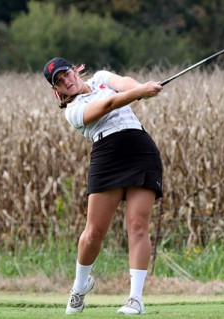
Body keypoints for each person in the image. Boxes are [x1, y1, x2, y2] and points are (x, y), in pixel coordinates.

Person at [43, 57, 164, 315]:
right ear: (58, 91)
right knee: (93, 233)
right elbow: (107, 104)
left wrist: (141, 87)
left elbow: (123, 83)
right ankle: (79, 287)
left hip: (141, 150)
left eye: (67, 74)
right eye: (60, 82)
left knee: (138, 226)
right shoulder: (72, 111)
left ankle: (136, 299)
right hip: (107, 156)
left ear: (76, 70)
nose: (67, 81)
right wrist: (139, 93)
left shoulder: (100, 78)